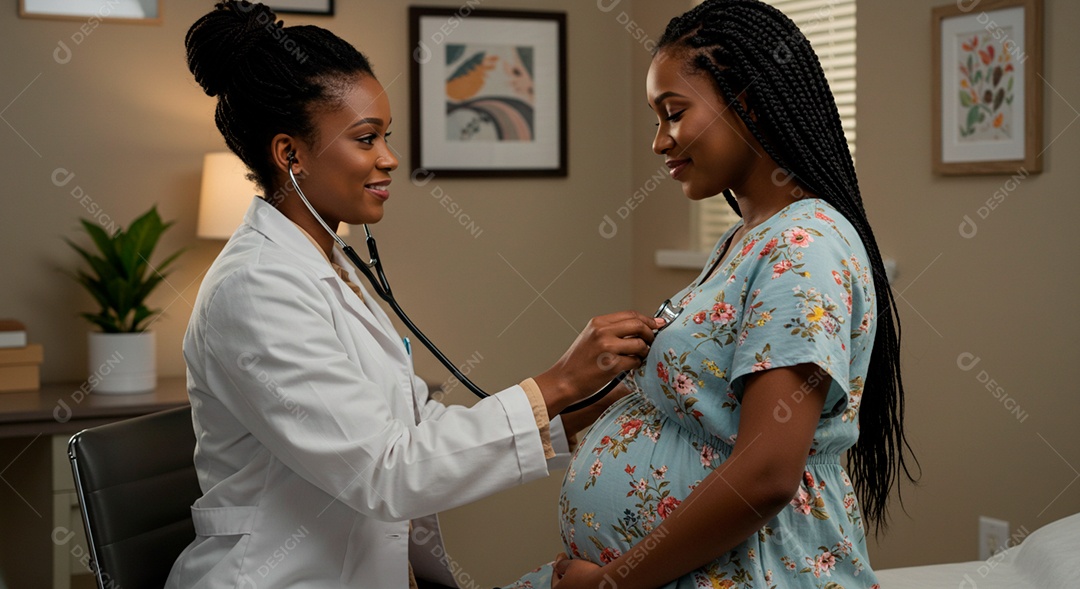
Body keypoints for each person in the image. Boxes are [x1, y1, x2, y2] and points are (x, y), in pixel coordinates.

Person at [169, 2, 661, 587]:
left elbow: (414, 427)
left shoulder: (326, 264)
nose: (389, 158)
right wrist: (559, 380)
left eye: (387, 135)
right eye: (365, 138)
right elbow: (386, 471)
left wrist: (584, 407)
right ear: (289, 154)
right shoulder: (254, 288)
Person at [505, 1, 918, 588]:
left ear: (746, 100)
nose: (659, 142)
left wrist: (611, 584)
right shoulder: (748, 236)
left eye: (673, 113)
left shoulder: (803, 245)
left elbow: (767, 473)